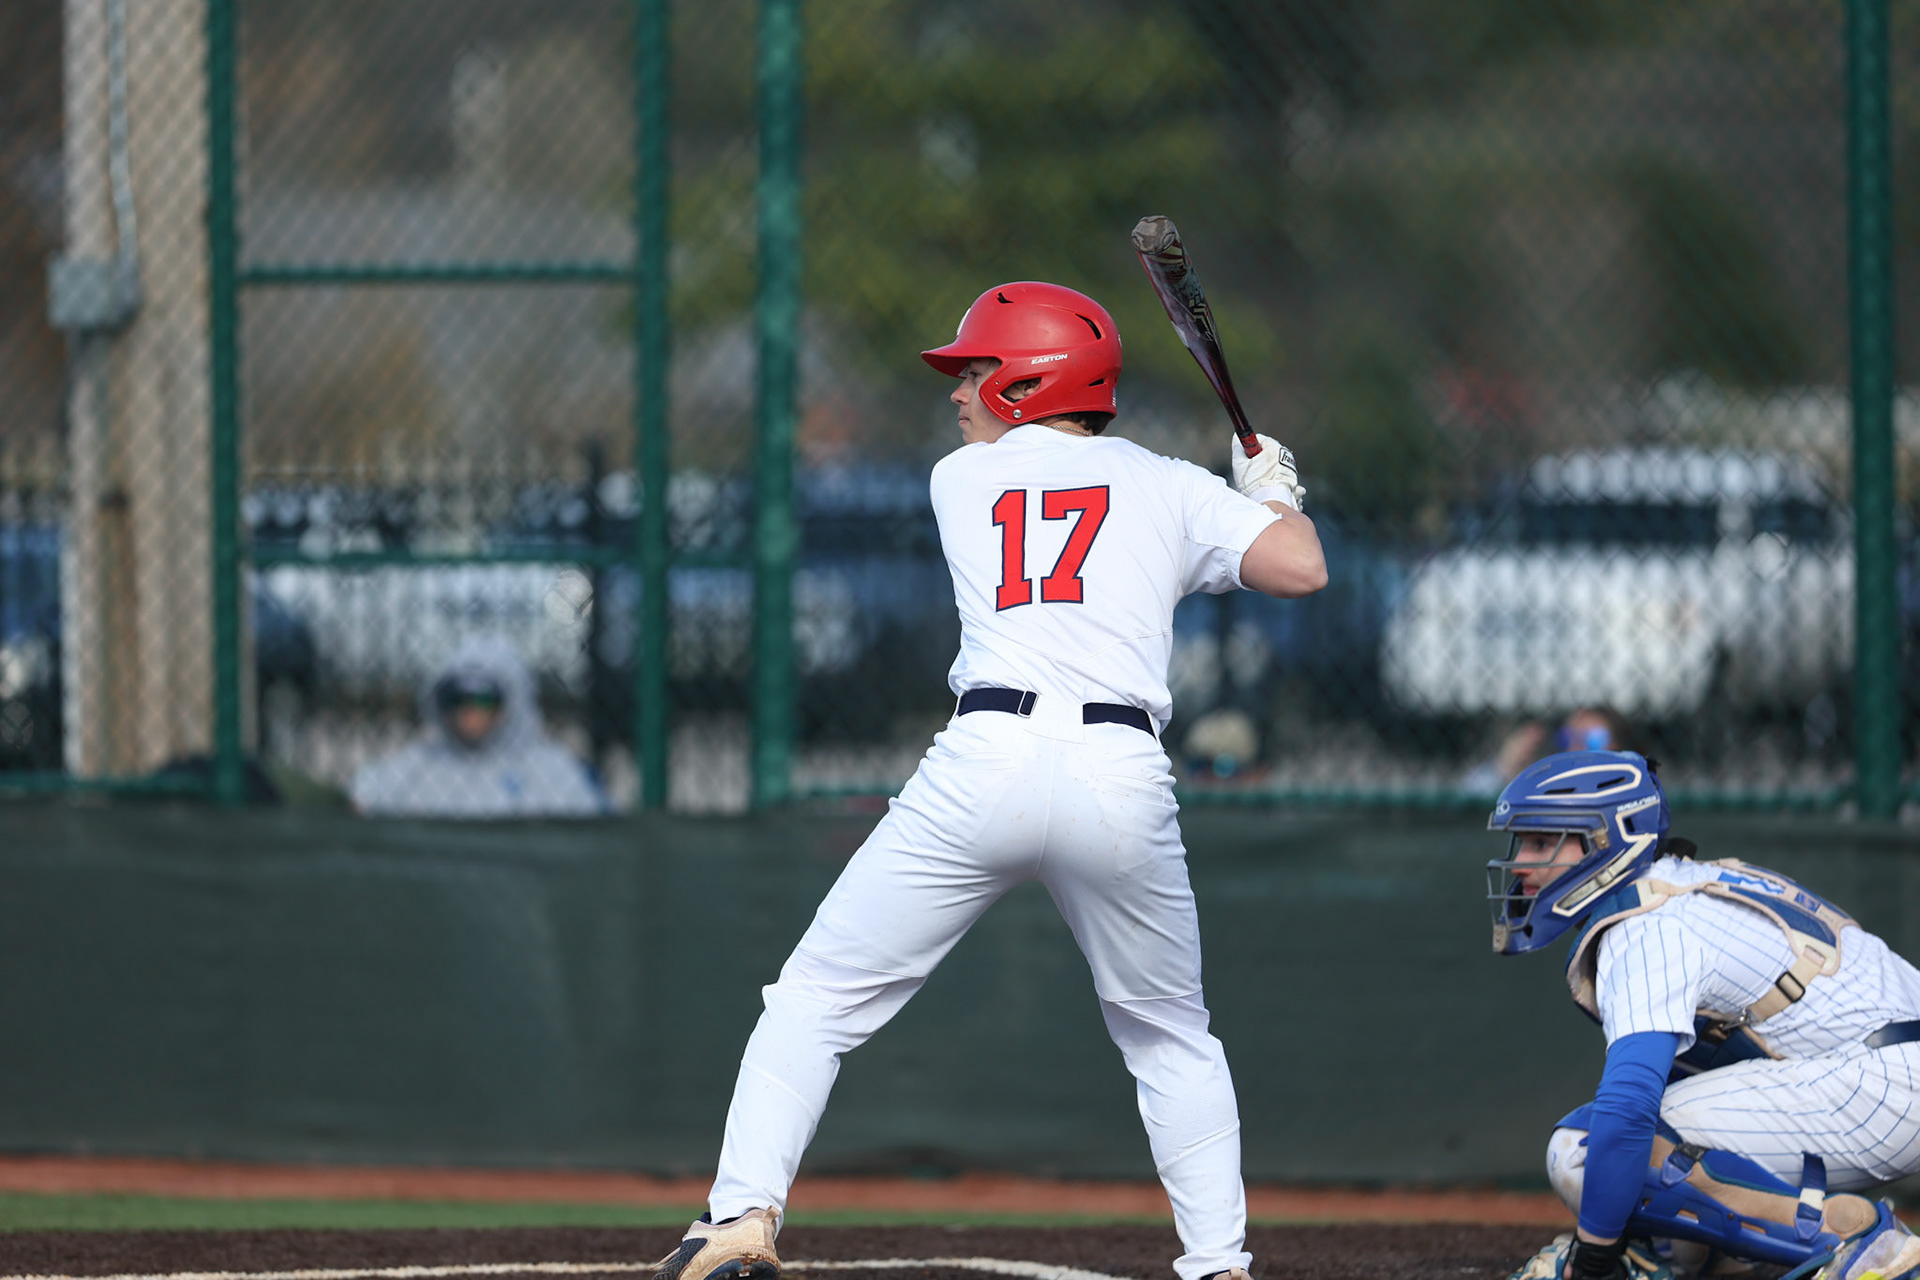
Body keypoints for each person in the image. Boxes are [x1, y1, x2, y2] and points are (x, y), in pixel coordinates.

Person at [652, 281, 1327, 1280]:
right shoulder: (1172, 483)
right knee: (1169, 1032)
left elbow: (1077, 521)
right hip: (1119, 774)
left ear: (1027, 377)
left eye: (975, 369)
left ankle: (741, 1218)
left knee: (813, 997)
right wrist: (1269, 489)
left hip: (984, 762)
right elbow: (1300, 567)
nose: (959, 389)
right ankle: (1219, 1260)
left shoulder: (960, 481)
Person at [1487, 749, 1920, 1280]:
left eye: (1542, 841)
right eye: (1522, 842)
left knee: (1583, 1148)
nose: (1524, 863)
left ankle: (1862, 1246)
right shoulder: (1688, 883)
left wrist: (1594, 1256)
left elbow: (1627, 1113)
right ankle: (1696, 1256)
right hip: (1881, 1070)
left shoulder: (1642, 926)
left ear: (1607, 840)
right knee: (1672, 1114)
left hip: (1885, 1084)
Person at [350, 635, 606, 817]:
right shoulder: (419, 767)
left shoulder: (551, 773)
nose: (469, 712)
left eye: (484, 699)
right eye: (457, 699)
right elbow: (364, 799)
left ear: (512, 703)